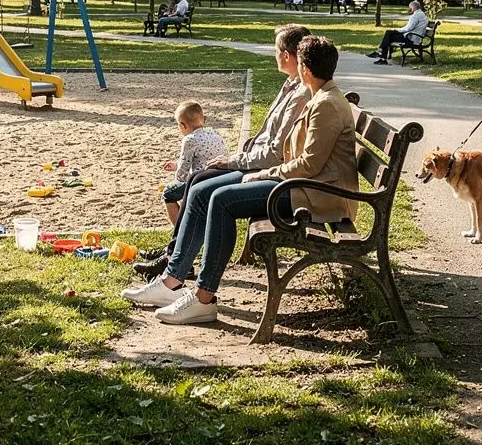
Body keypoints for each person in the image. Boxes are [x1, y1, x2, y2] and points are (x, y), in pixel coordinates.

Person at [124, 35, 357, 325]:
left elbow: (308, 165)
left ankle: (203, 298)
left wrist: (264, 173)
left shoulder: (325, 104)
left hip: (317, 195)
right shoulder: (322, 96)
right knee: (208, 193)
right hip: (305, 186)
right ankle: (178, 283)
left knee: (222, 200)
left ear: (305, 70)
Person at [132, 23, 312, 279]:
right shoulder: (290, 86)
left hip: (268, 172)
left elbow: (275, 152)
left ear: (286, 55)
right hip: (260, 165)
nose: (274, 55)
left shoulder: (300, 94)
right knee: (196, 180)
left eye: (275, 50)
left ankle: (179, 270)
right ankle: (174, 258)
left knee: (206, 191)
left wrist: (234, 160)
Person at [160, 101, 228, 226]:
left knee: (168, 194)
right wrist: (176, 165)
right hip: (219, 177)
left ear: (182, 125)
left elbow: (182, 175)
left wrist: (178, 171)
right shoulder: (215, 133)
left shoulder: (189, 140)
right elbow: (203, 157)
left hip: (199, 181)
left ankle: (179, 230)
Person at [367, 0, 428, 65]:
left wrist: (396, 30)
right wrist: (396, 30)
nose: (409, 9)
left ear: (413, 8)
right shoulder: (422, 14)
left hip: (411, 38)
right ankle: (382, 56)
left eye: (410, 8)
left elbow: (408, 28)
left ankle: (382, 54)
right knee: (389, 34)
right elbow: (409, 28)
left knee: (389, 34)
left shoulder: (415, 16)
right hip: (415, 37)